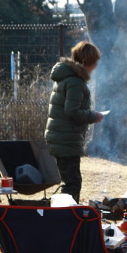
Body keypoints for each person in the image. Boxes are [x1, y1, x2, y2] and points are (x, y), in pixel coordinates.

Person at [45, 41, 104, 204]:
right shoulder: (75, 82)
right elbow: (71, 111)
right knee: (72, 184)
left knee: (70, 182)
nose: (95, 67)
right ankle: (66, 220)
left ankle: (64, 218)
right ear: (85, 61)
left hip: (61, 137)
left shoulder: (65, 78)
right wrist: (92, 116)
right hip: (66, 139)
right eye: (94, 63)